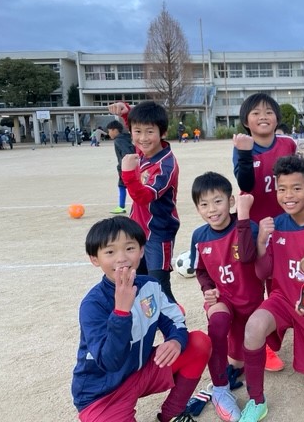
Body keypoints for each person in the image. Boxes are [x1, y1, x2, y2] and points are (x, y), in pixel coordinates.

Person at [71, 216, 211, 422]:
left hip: (142, 370)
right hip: (102, 394)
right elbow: (110, 362)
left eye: (129, 248)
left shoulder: (150, 286)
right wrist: (121, 312)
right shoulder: (93, 304)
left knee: (198, 343)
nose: (121, 258)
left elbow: (174, 320)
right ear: (95, 259)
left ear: (142, 251)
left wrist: (175, 340)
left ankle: (172, 414)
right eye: (110, 252)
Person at [239, 156, 304, 422]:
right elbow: (263, 273)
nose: (288, 195)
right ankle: (256, 401)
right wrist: (261, 242)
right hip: (282, 300)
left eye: (296, 188)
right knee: (253, 327)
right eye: (282, 189)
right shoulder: (274, 226)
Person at [189, 172, 264, 422]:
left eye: (217, 201)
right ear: (198, 209)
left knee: (239, 363)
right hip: (223, 299)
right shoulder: (199, 237)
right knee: (218, 323)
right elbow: (201, 271)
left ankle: (240, 366)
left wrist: (243, 218)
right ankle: (220, 389)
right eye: (204, 204)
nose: (212, 209)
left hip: (250, 303)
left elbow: (250, 258)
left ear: (231, 201)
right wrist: (207, 289)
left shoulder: (248, 226)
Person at [232, 93, 297, 372]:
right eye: (256, 112)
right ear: (246, 121)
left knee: (282, 280)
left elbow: (297, 178)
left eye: (269, 112)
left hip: (284, 224)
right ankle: (264, 344)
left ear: (277, 118)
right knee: (255, 281)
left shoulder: (287, 144)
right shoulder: (242, 145)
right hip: (255, 224)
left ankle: (284, 332)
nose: (263, 117)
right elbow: (245, 183)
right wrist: (245, 153)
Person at [108, 101, 182, 305]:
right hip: (137, 231)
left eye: (150, 132)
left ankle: (176, 321)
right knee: (135, 278)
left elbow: (143, 197)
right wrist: (126, 113)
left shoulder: (165, 165)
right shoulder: (143, 151)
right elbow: (137, 125)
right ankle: (145, 318)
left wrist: (127, 174)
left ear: (163, 132)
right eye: (137, 132)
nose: (143, 138)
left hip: (159, 232)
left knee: (159, 284)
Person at [106, 120, 136, 214]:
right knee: (123, 186)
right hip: (127, 166)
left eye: (109, 131)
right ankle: (121, 206)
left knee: (127, 186)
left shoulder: (119, 140)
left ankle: (122, 206)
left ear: (115, 130)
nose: (108, 133)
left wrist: (124, 165)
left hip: (126, 167)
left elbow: (127, 153)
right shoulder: (125, 138)